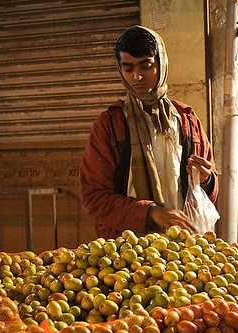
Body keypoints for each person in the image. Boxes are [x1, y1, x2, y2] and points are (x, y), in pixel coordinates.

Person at [79, 25, 218, 238]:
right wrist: (150, 212)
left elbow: (211, 188)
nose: (137, 77)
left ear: (161, 64)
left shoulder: (186, 120)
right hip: (128, 252)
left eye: (146, 66)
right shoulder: (109, 125)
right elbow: (94, 199)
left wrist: (206, 180)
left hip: (184, 247)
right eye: (129, 68)